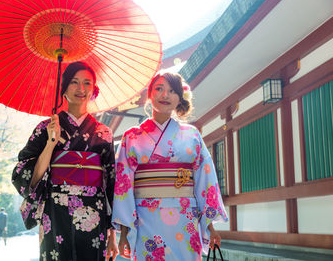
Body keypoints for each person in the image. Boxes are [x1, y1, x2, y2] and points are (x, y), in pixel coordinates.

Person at [111, 72, 228, 260]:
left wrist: (210, 227)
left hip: (185, 218)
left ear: (179, 98)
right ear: (149, 94)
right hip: (145, 219)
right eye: (159, 89)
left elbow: (205, 181)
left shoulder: (192, 135)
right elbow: (123, 185)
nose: (165, 95)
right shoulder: (131, 136)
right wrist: (124, 233)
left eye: (172, 91)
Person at [12, 61, 118, 261]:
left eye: (87, 83)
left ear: (94, 90)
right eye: (74, 82)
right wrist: (51, 143)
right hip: (55, 209)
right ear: (64, 88)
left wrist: (113, 232)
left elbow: (111, 182)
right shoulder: (45, 128)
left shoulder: (104, 133)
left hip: (94, 210)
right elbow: (27, 175)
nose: (81, 89)